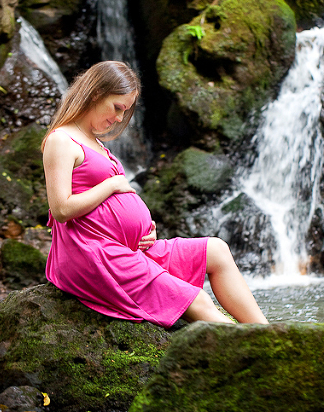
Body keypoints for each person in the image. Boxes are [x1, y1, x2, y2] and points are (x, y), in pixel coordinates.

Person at [41, 61, 268, 327]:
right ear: (95, 93)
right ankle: (257, 354)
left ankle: (269, 335)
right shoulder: (62, 140)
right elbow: (61, 209)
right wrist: (112, 185)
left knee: (216, 250)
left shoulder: (96, 142)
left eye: (124, 111)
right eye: (116, 108)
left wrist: (142, 229)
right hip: (95, 255)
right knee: (197, 300)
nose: (118, 118)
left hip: (128, 248)